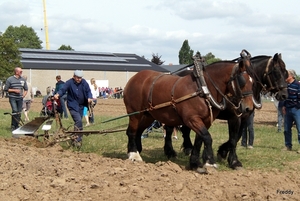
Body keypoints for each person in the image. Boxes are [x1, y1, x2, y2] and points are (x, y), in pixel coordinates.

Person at [53, 70, 93, 146]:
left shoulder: (84, 82)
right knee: (78, 120)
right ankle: (78, 140)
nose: (79, 79)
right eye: (78, 78)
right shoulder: (69, 82)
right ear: (74, 76)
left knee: (78, 122)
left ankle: (74, 138)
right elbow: (63, 90)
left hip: (81, 106)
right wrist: (58, 94)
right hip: (72, 106)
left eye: (80, 78)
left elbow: (88, 91)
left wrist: (89, 97)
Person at [282, 69, 300, 153]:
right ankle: (288, 145)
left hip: (296, 110)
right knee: (286, 129)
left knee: (299, 129)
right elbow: (285, 97)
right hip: (287, 110)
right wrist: (284, 106)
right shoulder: (286, 85)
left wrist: (297, 107)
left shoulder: (297, 85)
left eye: (287, 74)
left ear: (291, 76)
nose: (285, 76)